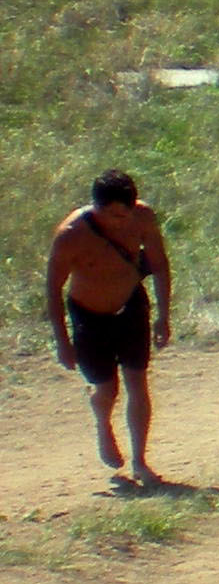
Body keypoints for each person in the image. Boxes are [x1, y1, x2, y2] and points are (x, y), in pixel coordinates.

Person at [45, 168, 172, 487]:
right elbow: (53, 290)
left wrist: (163, 316)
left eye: (124, 215)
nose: (120, 222)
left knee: (137, 381)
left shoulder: (143, 218)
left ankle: (140, 461)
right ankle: (103, 425)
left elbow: (159, 265)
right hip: (89, 316)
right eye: (112, 215)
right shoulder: (71, 235)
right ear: (96, 206)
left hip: (131, 306)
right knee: (107, 389)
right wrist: (62, 341)